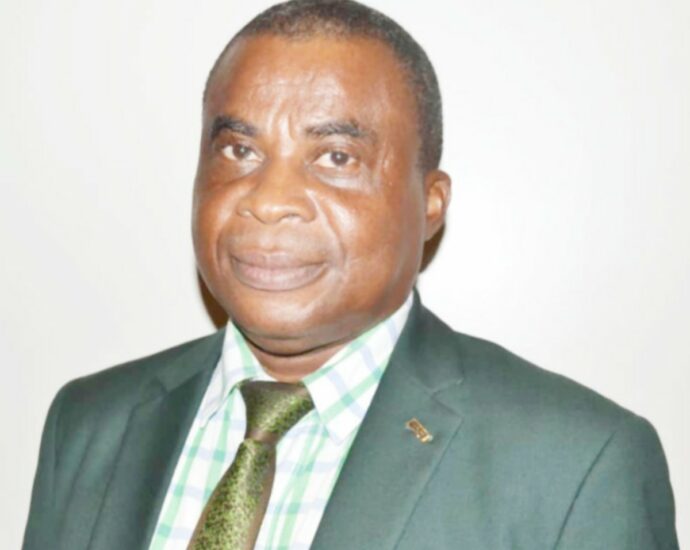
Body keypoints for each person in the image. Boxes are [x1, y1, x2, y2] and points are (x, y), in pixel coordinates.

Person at [23, 1, 678, 549]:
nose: (269, 199)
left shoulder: (578, 466)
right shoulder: (88, 424)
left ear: (430, 204)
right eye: (240, 150)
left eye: (335, 157)